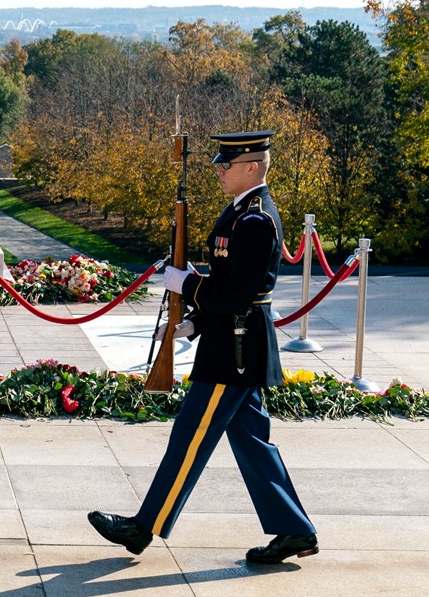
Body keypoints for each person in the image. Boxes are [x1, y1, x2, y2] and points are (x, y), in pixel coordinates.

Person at [88, 130, 319, 565]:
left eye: (226, 164)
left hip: (233, 353)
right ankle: (295, 530)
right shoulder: (240, 214)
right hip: (232, 342)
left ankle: (143, 527)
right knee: (252, 441)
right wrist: (193, 323)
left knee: (190, 436)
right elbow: (233, 292)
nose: (218, 169)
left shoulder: (256, 220)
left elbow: (236, 296)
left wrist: (188, 285)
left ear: (251, 167)